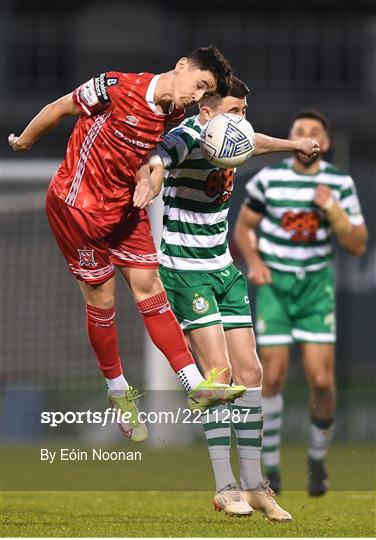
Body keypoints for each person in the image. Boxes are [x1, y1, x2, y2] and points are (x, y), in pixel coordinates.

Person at [8, 45, 247, 443]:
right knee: (103, 302)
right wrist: (25, 140)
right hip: (77, 206)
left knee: (151, 290)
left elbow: (148, 157)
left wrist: (147, 179)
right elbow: (60, 106)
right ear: (182, 66)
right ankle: (119, 393)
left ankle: (195, 385)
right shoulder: (116, 87)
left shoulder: (175, 113)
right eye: (199, 85)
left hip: (123, 208)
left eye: (205, 93)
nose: (195, 96)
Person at [143, 79, 320, 520]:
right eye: (235, 110)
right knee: (219, 376)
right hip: (186, 271)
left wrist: (293, 143)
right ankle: (225, 487)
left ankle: (257, 486)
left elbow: (255, 141)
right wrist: (154, 175)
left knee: (250, 371)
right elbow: (161, 156)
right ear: (206, 113)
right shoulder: (187, 135)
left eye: (244, 110)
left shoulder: (235, 136)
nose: (242, 118)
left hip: (223, 269)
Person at [234, 109, 368, 496]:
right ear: (292, 139)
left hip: (315, 287)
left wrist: (334, 211)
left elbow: (357, 245)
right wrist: (256, 263)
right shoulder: (268, 179)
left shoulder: (338, 183)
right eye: (299, 131)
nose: (307, 137)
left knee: (322, 379)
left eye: (314, 132)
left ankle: (316, 458)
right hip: (276, 285)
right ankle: (271, 469)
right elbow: (244, 229)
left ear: (324, 143)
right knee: (271, 376)